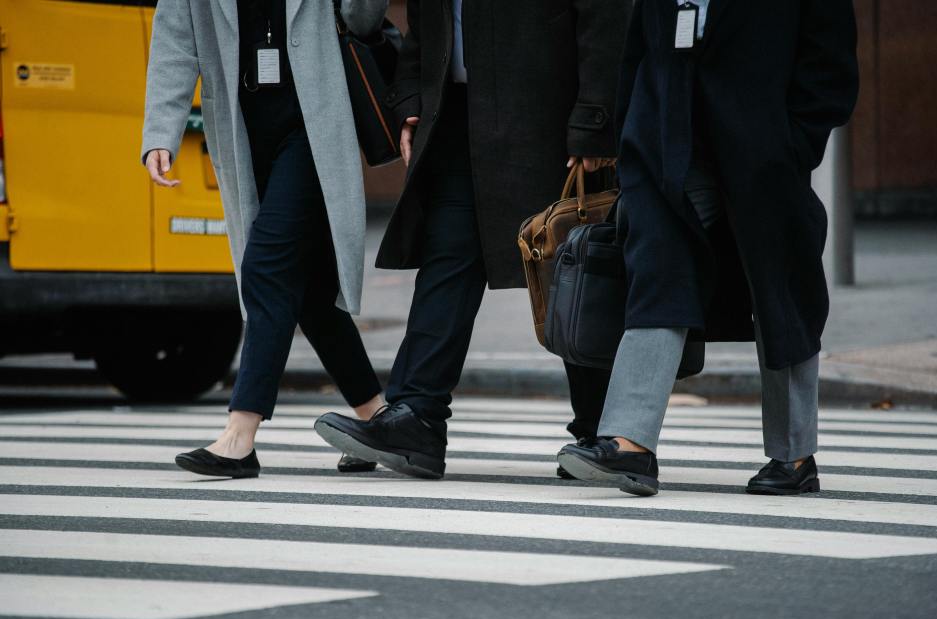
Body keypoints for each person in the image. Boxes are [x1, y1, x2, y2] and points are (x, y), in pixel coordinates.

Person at [315, 0, 633, 479]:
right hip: (456, 119)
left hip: (549, 120)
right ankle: (417, 416)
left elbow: (604, 19)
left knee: (572, 268)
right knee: (447, 262)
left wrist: (595, 118)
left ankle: (602, 429)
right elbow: (424, 23)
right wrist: (410, 99)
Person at [556, 0, 860, 496]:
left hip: (762, 154)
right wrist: (633, 134)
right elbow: (639, 48)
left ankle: (794, 456)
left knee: (781, 294)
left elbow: (831, 65)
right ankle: (631, 441)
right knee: (657, 269)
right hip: (666, 148)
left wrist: (792, 144)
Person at [141, 0, 389, 479]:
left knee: (267, 267)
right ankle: (377, 418)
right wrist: (161, 132)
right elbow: (175, 36)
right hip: (243, 125)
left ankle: (240, 433)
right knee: (313, 295)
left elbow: (363, 18)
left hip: (312, 123)